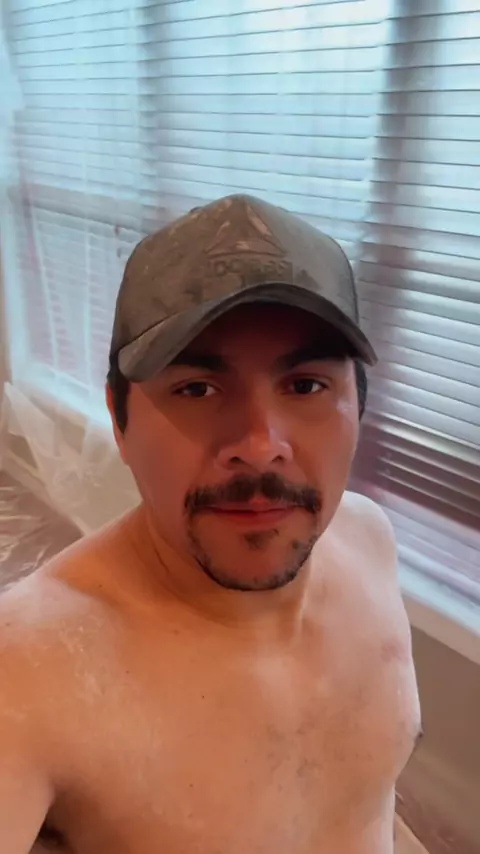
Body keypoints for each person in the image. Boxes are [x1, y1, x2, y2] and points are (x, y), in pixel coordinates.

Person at [0, 194, 421, 854]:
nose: (260, 446)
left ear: (358, 409)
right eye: (196, 389)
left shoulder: (370, 539)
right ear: (119, 420)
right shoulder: (28, 668)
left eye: (306, 385)